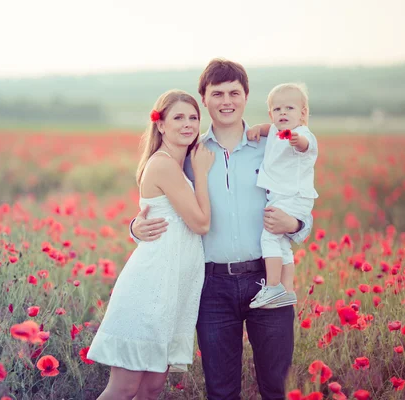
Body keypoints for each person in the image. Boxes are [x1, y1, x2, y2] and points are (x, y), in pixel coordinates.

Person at [131, 59, 312, 400]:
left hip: (267, 279)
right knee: (221, 390)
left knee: (277, 386)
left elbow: (302, 196)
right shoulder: (189, 152)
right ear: (204, 99)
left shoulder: (273, 145)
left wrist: (296, 224)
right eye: (217, 94)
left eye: (234, 92)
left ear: (246, 96)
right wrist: (136, 227)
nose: (226, 100)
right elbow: (156, 205)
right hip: (211, 286)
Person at [88, 89, 215, 400]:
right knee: (124, 387)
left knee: (153, 387)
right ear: (161, 125)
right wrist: (201, 173)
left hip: (170, 289)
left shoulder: (178, 162)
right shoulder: (164, 165)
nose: (188, 124)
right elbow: (201, 224)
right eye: (178, 117)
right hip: (149, 286)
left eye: (193, 117)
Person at [245, 83, 318, 309]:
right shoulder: (276, 130)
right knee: (282, 244)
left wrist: (298, 141)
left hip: (293, 197)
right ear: (271, 114)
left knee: (269, 238)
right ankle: (286, 290)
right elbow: (271, 129)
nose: (283, 113)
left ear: (303, 113)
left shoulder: (302, 134)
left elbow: (307, 146)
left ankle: (273, 285)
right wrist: (259, 127)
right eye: (277, 110)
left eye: (289, 108)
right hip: (285, 197)